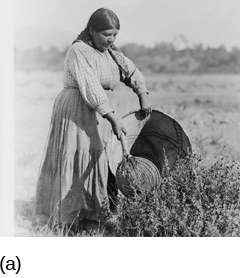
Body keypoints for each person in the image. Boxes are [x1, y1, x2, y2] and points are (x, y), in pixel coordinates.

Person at [34, 8, 152, 231]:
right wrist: (113, 118)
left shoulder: (110, 52)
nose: (111, 39)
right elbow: (90, 86)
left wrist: (142, 93)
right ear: (92, 31)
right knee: (79, 156)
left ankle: (94, 215)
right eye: (106, 34)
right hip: (79, 108)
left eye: (115, 34)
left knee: (99, 159)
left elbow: (130, 70)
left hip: (100, 110)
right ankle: (71, 218)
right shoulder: (79, 50)